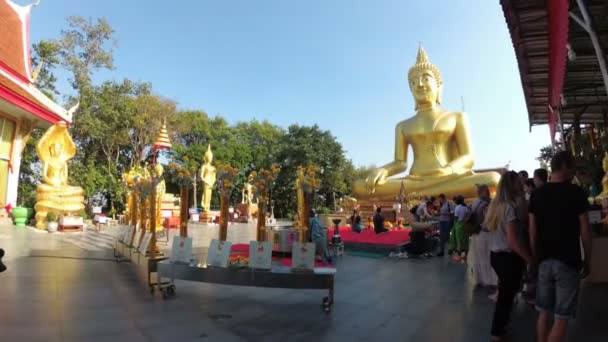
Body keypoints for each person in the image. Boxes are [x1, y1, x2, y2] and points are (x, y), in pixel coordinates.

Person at [529, 151, 592, 342]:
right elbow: (585, 230)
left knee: (543, 312)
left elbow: (532, 230)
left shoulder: (537, 194)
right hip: (568, 261)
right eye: (571, 165)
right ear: (564, 166)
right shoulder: (576, 193)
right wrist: (587, 260)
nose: (573, 170)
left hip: (543, 261)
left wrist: (534, 259)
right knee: (562, 317)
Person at [485, 171, 533, 341]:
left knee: (505, 296)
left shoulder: (494, 206)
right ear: (512, 186)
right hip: (508, 258)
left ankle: (500, 328)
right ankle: (497, 332)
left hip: (495, 256)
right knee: (505, 298)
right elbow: (513, 241)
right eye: (518, 183)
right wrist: (529, 259)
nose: (521, 185)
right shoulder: (509, 208)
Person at [467, 184, 498, 288]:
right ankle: (488, 280)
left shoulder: (476, 202)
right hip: (485, 233)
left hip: (477, 232)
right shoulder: (487, 203)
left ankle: (479, 279)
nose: (488, 192)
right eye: (486, 190)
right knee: (486, 256)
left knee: (479, 256)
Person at [450, 195, 469, 262]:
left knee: (459, 240)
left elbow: (456, 217)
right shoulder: (466, 207)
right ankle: (466, 255)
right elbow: (467, 216)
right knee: (466, 240)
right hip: (465, 224)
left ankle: (459, 256)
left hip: (458, 225)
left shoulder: (457, 207)